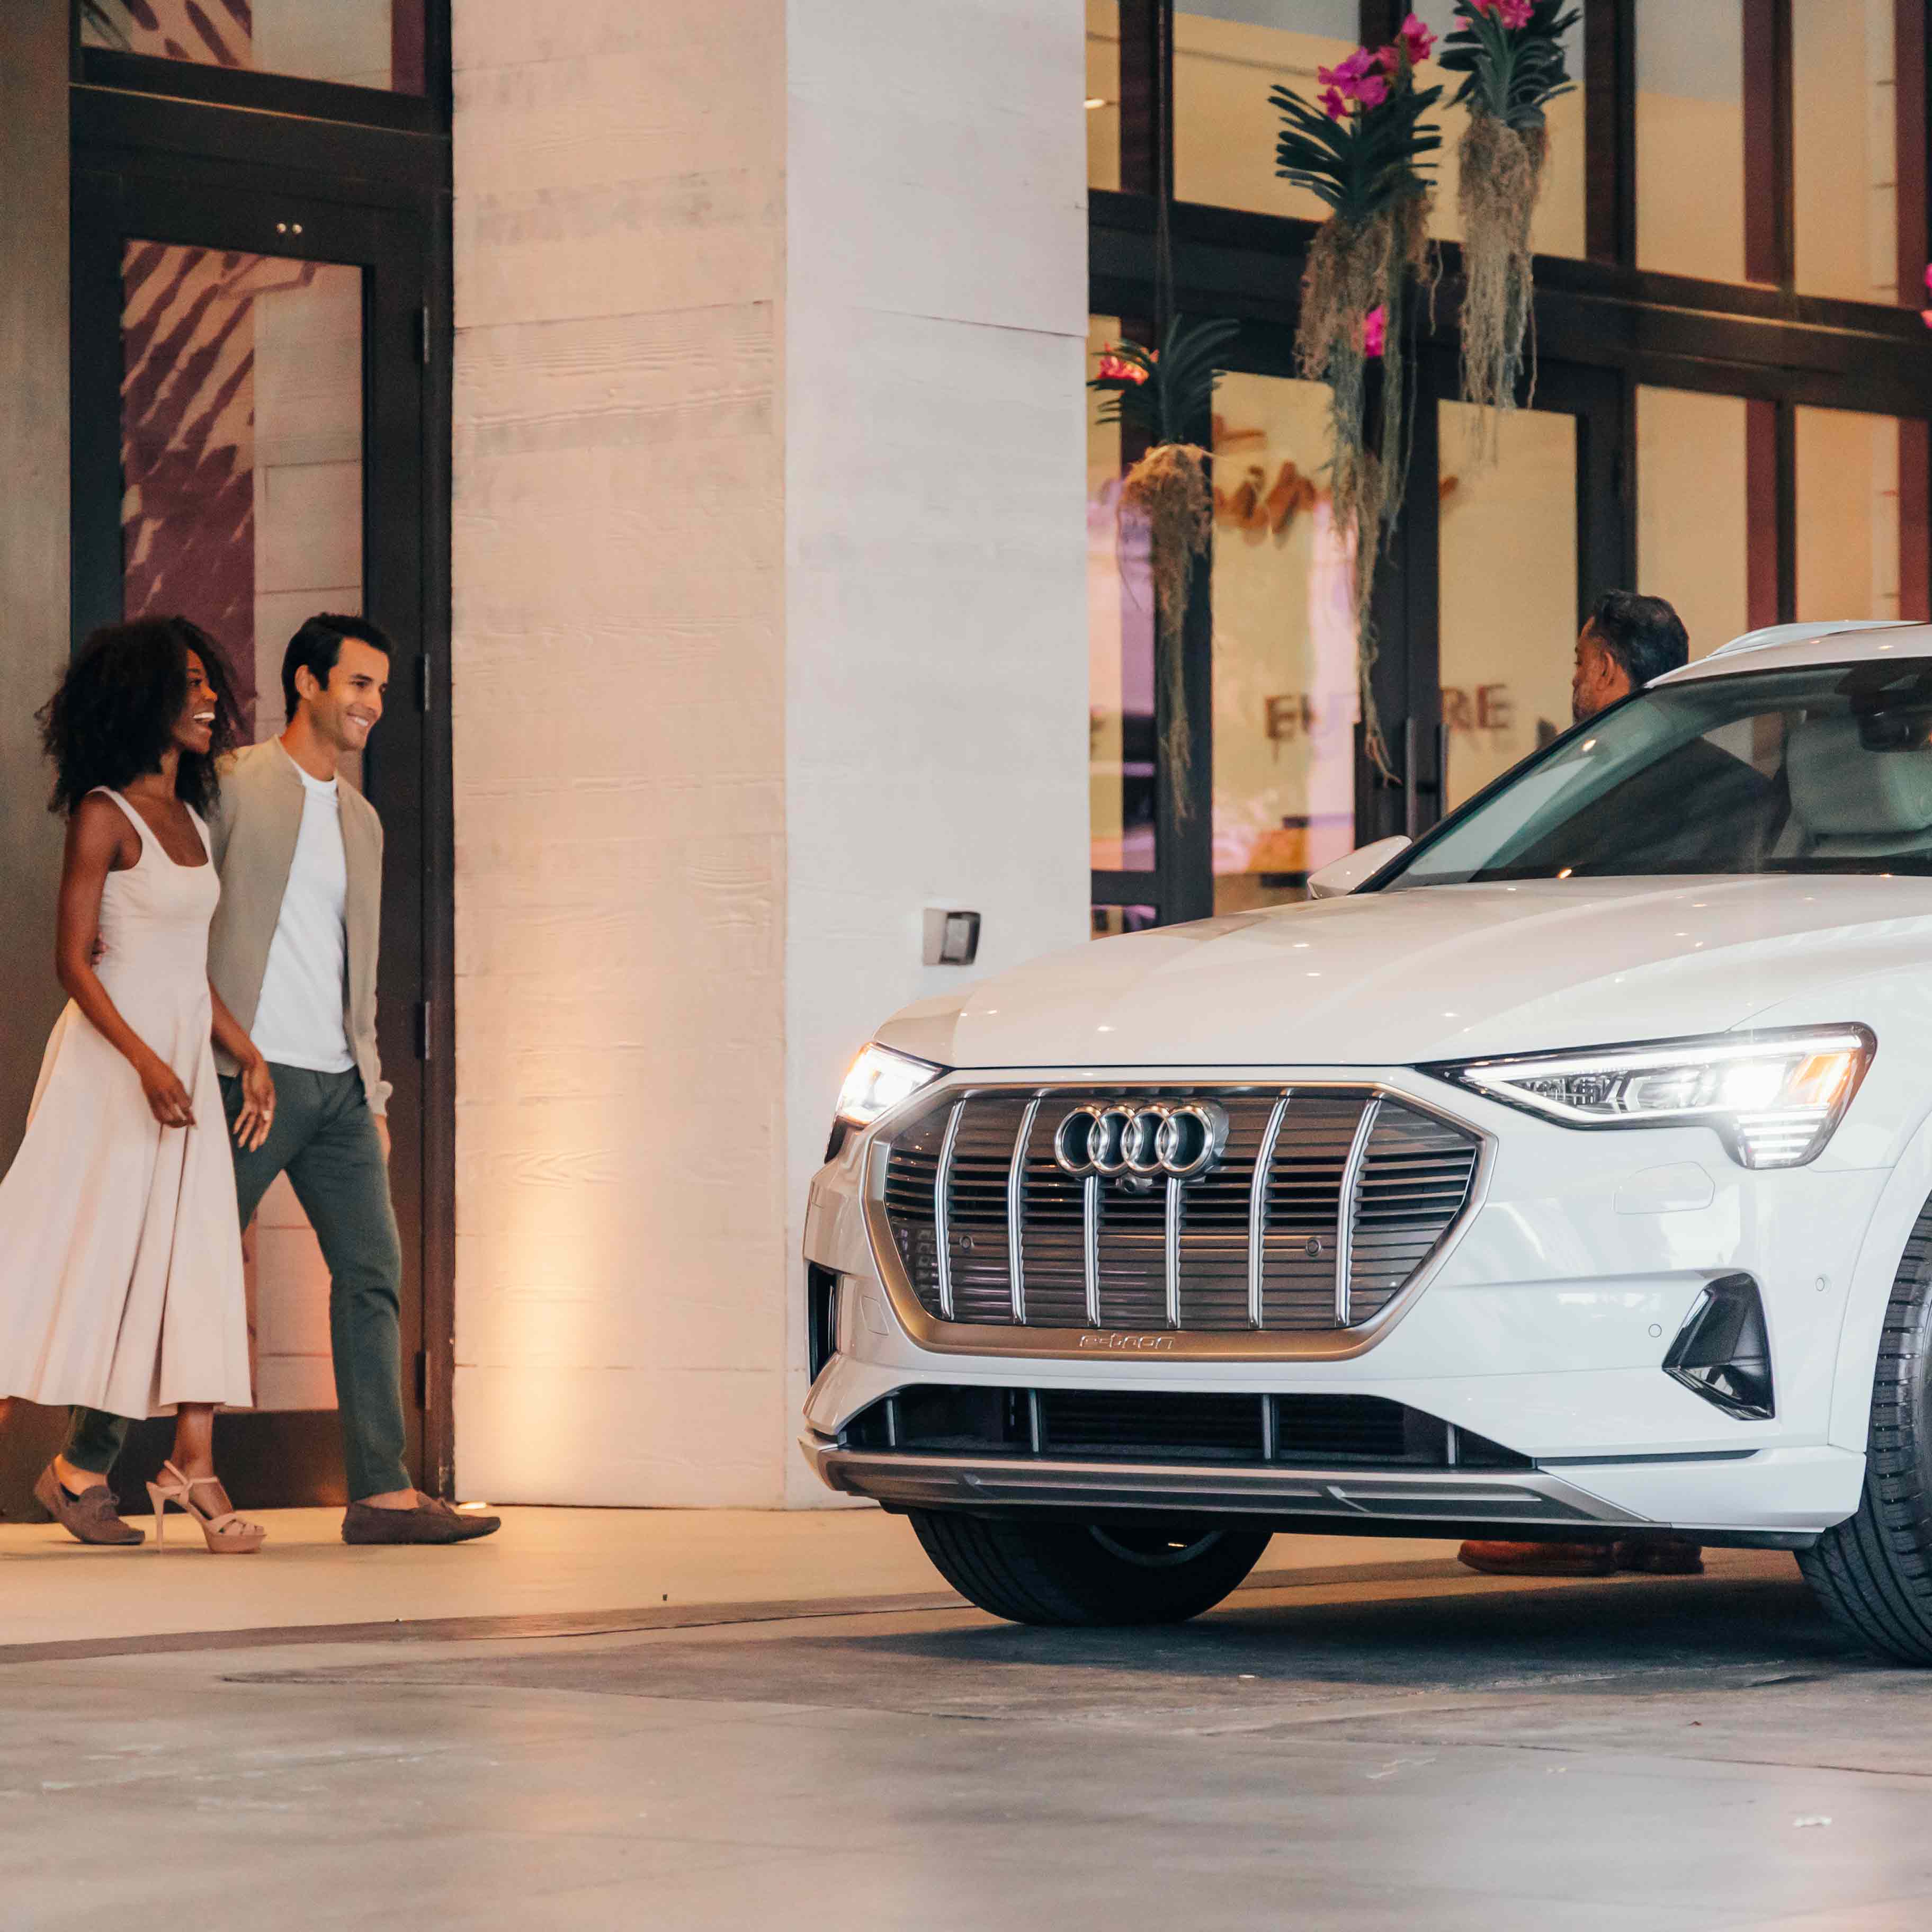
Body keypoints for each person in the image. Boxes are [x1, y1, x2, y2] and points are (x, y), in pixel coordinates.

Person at [60, 614, 500, 1546]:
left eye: (383, 689)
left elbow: (357, 965)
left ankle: (382, 1492)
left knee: (373, 1273)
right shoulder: (226, 785)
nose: (373, 704)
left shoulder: (363, 822)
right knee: (178, 1271)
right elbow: (169, 898)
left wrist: (374, 1094)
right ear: (307, 682)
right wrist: (120, 956)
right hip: (239, 1078)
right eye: (358, 683)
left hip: (339, 1088)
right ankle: (84, 1463)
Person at [0, 618, 274, 1553]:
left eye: (210, 683)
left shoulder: (192, 820)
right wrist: (146, 1062)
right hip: (110, 1074)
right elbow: (75, 963)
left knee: (185, 1259)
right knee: (48, 1254)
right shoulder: (103, 814)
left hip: (179, 1075)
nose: (209, 700)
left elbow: (183, 972)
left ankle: (175, 1466)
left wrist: (247, 1051)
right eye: (190, 683)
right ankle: (104, 1471)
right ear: (143, 696)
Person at [1458, 589, 1707, 1582]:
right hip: (1681, 1065)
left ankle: (1576, 1515)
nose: (1574, 680)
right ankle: (1660, 1523)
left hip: (1590, 1050)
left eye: (1578, 663)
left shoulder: (1603, 776)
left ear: (1606, 670)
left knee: (1572, 1258)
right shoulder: (1730, 773)